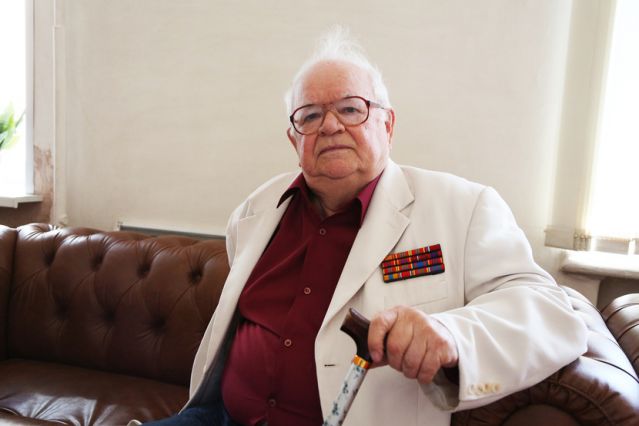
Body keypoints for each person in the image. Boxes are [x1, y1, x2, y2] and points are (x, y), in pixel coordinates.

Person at [138, 27, 588, 426]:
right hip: (218, 415)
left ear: (387, 125)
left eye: (351, 109)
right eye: (310, 116)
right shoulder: (253, 211)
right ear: (294, 140)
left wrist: (453, 335)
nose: (330, 126)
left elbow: (551, 313)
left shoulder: (464, 208)